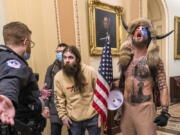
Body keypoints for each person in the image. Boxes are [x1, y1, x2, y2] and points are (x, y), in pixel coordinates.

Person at [118, 17, 173, 135]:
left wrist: (164, 112)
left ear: (149, 37)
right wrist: (118, 107)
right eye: (137, 29)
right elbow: (123, 84)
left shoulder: (154, 61)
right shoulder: (125, 59)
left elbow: (163, 86)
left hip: (145, 109)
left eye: (143, 29)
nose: (139, 30)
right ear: (132, 35)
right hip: (126, 109)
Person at [0, 21, 50, 135]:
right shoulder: (14, 63)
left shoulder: (2, 58)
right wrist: (7, 98)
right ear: (26, 42)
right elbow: (11, 78)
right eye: (30, 43)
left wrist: (34, 94)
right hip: (21, 127)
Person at [54, 46, 100, 135]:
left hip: (93, 116)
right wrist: (63, 116)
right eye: (65, 57)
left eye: (70, 57)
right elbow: (59, 98)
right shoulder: (58, 77)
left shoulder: (90, 71)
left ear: (77, 59)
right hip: (74, 120)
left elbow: (98, 93)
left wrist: (101, 114)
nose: (67, 60)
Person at [44, 43, 72, 135]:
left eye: (62, 52)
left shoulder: (73, 68)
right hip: (55, 107)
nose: (59, 54)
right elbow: (47, 89)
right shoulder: (51, 69)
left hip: (71, 108)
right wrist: (46, 106)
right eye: (57, 52)